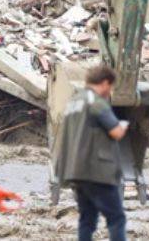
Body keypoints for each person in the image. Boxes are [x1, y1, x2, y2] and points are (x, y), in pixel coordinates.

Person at [52, 64, 128, 241]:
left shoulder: (73, 102)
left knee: (87, 220)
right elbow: (115, 131)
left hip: (75, 172)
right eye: (110, 87)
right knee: (116, 218)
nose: (109, 92)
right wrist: (123, 126)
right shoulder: (96, 102)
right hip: (97, 171)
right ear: (104, 83)